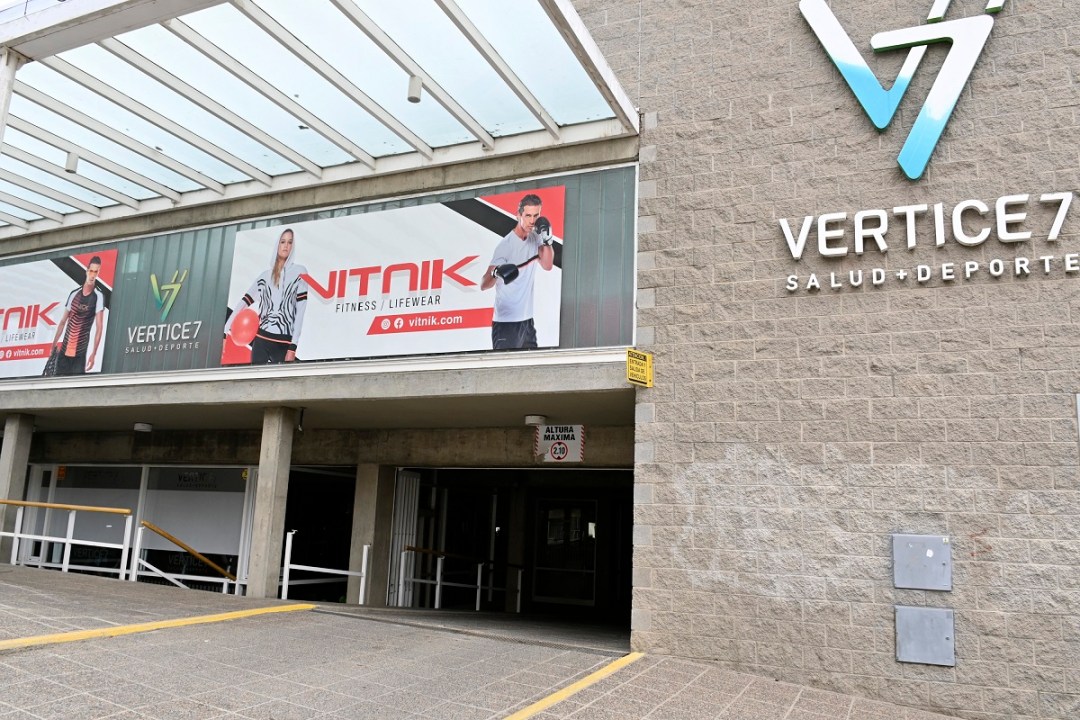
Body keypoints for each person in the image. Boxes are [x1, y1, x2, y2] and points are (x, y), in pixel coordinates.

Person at [480, 194, 555, 349]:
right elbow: (483, 284)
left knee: (532, 364)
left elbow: (547, 265)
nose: (532, 221)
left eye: (536, 215)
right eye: (528, 216)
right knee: (506, 365)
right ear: (518, 215)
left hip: (527, 322)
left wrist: (547, 241)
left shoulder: (536, 238)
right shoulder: (506, 246)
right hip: (506, 323)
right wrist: (496, 273)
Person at [224, 228, 308, 364]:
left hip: (283, 342)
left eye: (290, 242)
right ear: (277, 244)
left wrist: (293, 346)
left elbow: (300, 312)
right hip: (261, 340)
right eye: (283, 242)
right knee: (254, 377)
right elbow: (243, 303)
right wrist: (225, 330)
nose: (286, 245)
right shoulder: (264, 277)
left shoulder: (300, 273)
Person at [50, 256, 105, 375]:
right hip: (64, 353)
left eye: (95, 272)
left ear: (98, 273)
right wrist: (54, 344)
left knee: (76, 386)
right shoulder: (74, 294)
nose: (92, 275)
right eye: (91, 271)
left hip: (80, 355)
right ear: (87, 271)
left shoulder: (98, 296)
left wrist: (94, 354)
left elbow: (99, 327)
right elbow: (63, 321)